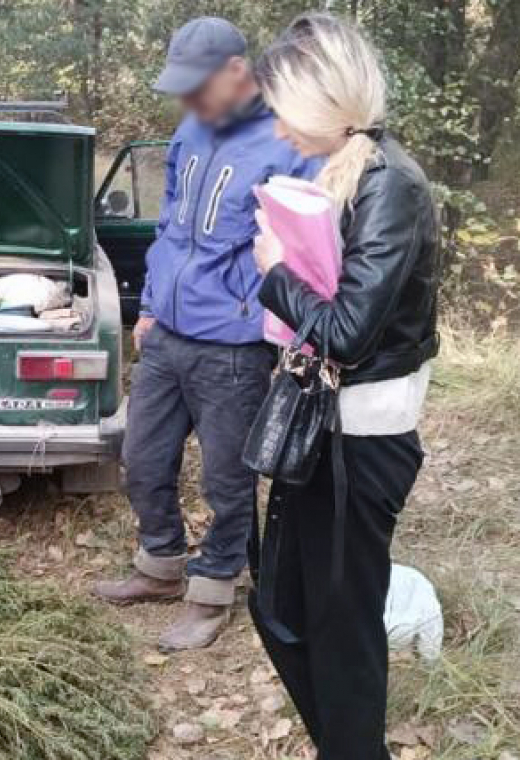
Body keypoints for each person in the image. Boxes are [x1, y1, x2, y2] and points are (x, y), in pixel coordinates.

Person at [92, 17, 316, 652]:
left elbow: (303, 252)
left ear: (238, 74)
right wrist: (152, 309)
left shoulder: (290, 141)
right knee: (141, 457)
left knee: (226, 479)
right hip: (167, 334)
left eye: (198, 87)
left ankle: (213, 591)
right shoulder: (190, 130)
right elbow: (170, 229)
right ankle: (160, 565)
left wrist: (279, 330)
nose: (186, 101)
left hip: (234, 345)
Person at [250, 14, 439, 759]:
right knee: (285, 603)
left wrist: (275, 273)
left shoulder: (391, 184)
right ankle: (346, 745)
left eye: (281, 108)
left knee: (343, 620)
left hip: (362, 443)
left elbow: (352, 329)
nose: (277, 126)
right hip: (330, 429)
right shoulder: (354, 170)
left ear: (320, 100)